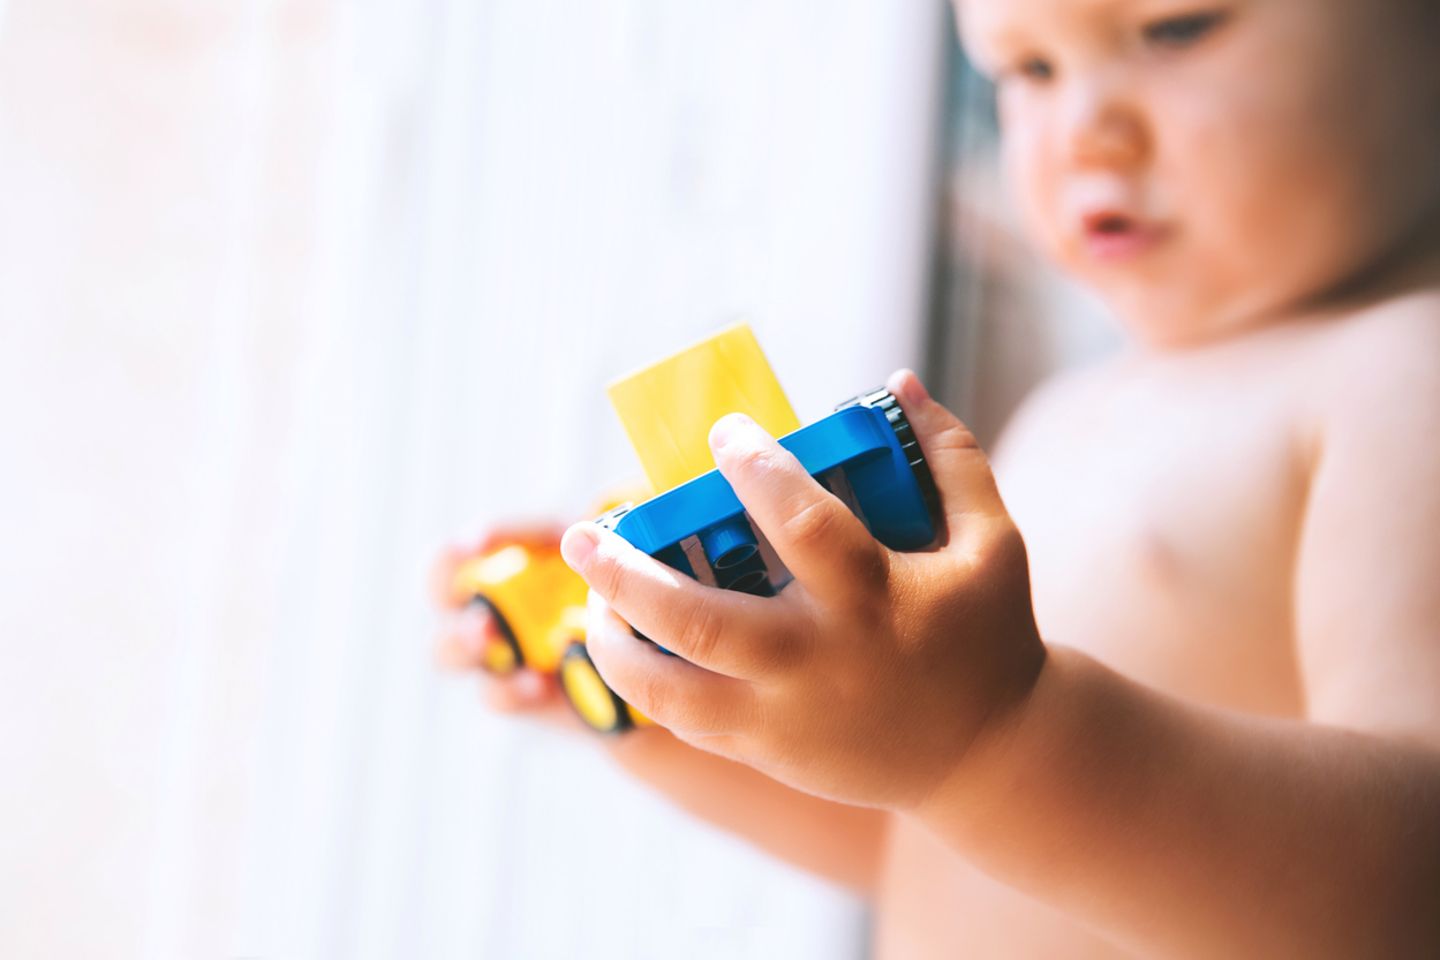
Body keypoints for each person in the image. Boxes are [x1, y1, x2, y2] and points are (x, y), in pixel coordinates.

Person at [434, 0, 1440, 954]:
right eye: (1028, 68)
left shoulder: (1403, 376)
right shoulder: (1071, 413)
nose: (1086, 129)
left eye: (1175, 28)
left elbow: (1412, 892)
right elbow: (937, 833)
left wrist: (996, 739)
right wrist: (670, 701)